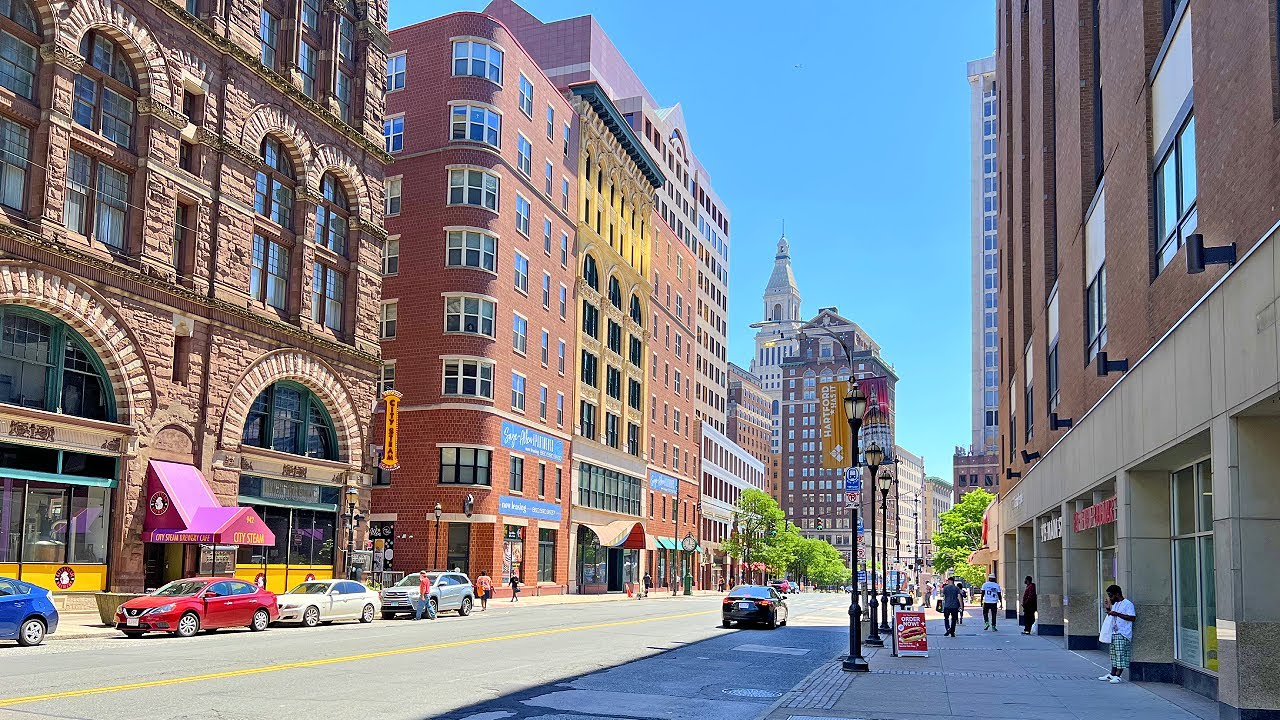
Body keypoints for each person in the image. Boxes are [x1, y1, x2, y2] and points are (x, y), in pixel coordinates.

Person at [1100, 584, 1136, 684]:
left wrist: (1117, 614)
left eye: (1111, 595)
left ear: (1117, 594)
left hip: (1123, 633)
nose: (1110, 598)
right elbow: (1112, 616)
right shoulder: (1115, 604)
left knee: (1120, 654)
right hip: (1114, 632)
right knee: (1114, 654)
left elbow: (1132, 618)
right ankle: (1112, 674)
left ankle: (1118, 675)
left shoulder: (1128, 604)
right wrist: (1108, 609)